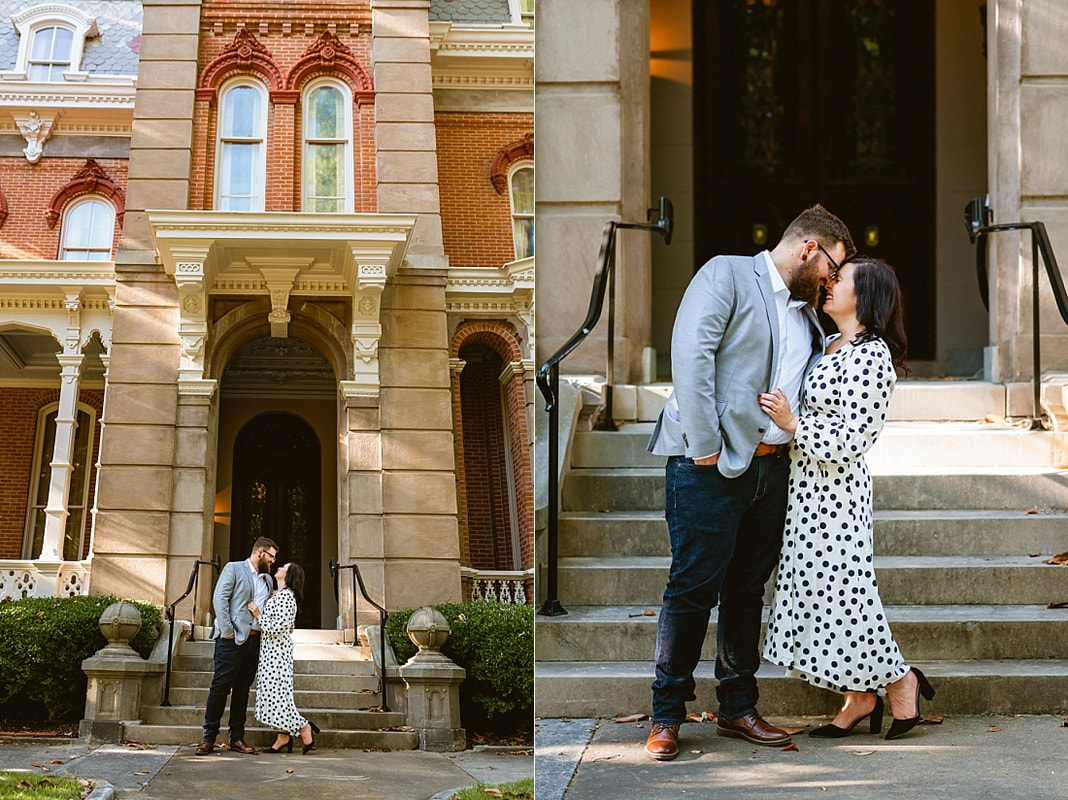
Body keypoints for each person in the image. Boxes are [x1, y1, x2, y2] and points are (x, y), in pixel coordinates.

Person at [644, 205, 855, 761]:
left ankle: (737, 707)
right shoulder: (727, 274)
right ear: (809, 247)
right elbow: (692, 355)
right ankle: (668, 713)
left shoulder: (810, 316)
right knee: (692, 589)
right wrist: (705, 443)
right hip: (708, 464)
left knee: (745, 592)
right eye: (833, 267)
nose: (832, 280)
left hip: (773, 467)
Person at [759, 256, 936, 740]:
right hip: (807, 490)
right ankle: (858, 696)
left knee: (849, 597)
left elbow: (853, 438)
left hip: (837, 495)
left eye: (841, 280)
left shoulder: (872, 355)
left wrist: (794, 423)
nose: (829, 284)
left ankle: (902, 682)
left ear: (867, 296)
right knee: (820, 596)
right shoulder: (829, 343)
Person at [196, 537, 278, 755]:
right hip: (230, 640)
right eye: (271, 556)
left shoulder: (268, 580)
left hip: (255, 640)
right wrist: (228, 630)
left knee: (242, 690)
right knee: (220, 686)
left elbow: (269, 606)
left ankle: (237, 738)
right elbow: (219, 598)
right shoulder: (234, 568)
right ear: (260, 552)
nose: (273, 562)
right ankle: (208, 738)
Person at [247, 561, 319, 754]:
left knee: (278, 695)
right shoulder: (277, 595)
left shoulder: (287, 597)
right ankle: (282, 736)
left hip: (277, 653)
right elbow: (284, 623)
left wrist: (257, 614)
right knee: (273, 695)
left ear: (289, 576)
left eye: (283, 568)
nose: (278, 568)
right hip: (270, 651)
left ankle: (304, 727)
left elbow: (277, 628)